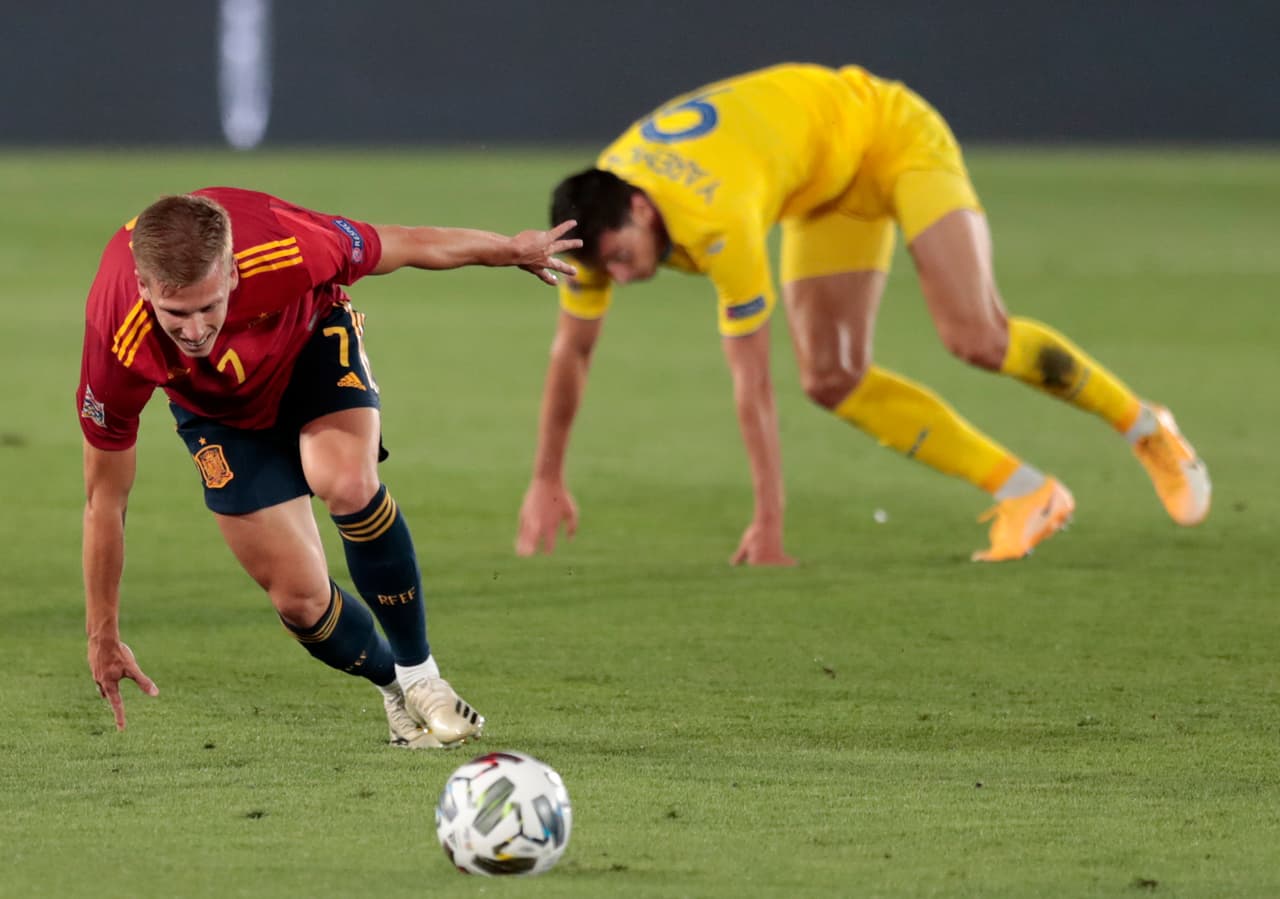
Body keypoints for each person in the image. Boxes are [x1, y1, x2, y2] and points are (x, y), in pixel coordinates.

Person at [515, 63, 1210, 565]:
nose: (625, 277)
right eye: (608, 268)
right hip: (820, 189)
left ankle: (1147, 428)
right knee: (833, 378)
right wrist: (546, 476)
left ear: (641, 207)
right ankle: (1028, 493)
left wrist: (770, 523)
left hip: (888, 136)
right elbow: (571, 353)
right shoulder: (599, 215)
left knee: (975, 335)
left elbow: (752, 378)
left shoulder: (713, 218)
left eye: (624, 257)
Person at [79, 187, 580, 745]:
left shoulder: (289, 249)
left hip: (309, 346)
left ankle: (422, 675)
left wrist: (511, 249)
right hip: (217, 412)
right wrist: (103, 632)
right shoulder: (115, 337)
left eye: (208, 306)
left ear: (232, 274)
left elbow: (406, 244)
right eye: (176, 313)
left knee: (344, 480)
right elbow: (106, 498)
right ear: (144, 286)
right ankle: (396, 690)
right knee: (300, 601)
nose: (195, 330)